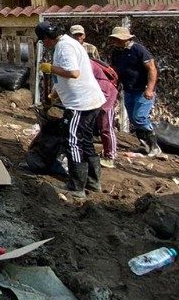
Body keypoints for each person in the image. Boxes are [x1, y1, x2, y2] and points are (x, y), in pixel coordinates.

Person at [36, 21, 105, 198]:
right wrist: (54, 95)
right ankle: (93, 182)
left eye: (43, 41)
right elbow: (66, 77)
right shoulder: (69, 43)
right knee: (86, 141)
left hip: (79, 104)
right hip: (90, 100)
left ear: (47, 38)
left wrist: (51, 68)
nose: (44, 44)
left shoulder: (64, 47)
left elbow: (73, 73)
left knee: (73, 142)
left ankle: (76, 186)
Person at [109, 26, 161, 156]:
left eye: (117, 39)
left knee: (140, 117)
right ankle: (145, 145)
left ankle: (154, 146)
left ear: (125, 39)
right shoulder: (116, 53)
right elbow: (115, 71)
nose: (115, 41)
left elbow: (152, 68)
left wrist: (150, 89)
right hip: (128, 90)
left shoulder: (138, 49)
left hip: (142, 90)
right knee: (133, 118)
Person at [87, 47, 119, 168]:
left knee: (106, 126)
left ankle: (110, 157)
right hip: (98, 95)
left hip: (106, 95)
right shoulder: (87, 64)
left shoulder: (88, 65)